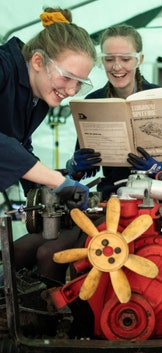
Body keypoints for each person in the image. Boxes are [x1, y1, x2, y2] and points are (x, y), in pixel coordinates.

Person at [5, 7, 97, 284]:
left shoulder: (38, 99)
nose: (70, 91)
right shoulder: (2, 68)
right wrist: (58, 182)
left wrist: (46, 193)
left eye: (79, 84)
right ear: (37, 61)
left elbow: (20, 148)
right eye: (66, 77)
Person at [67, 24, 162, 200]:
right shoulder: (93, 101)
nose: (116, 67)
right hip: (112, 195)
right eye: (109, 59)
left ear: (140, 59)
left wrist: (158, 168)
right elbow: (81, 170)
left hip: (157, 196)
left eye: (125, 59)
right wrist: (75, 165)